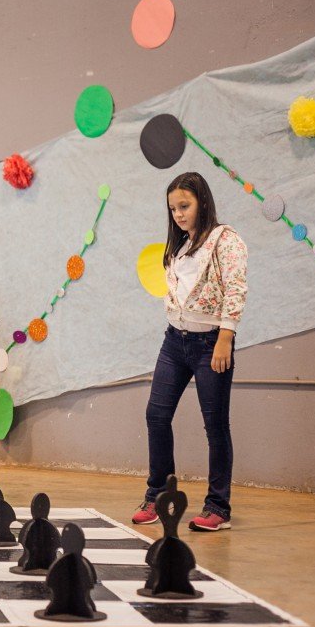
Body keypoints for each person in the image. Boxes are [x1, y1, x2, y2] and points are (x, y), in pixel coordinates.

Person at [132, 172, 247, 532]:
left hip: (211, 343)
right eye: (173, 208)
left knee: (215, 424)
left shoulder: (225, 239)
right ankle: (158, 496)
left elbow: (236, 288)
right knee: (156, 414)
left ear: (202, 202)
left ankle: (218, 507)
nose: (178, 214)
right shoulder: (181, 245)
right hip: (174, 341)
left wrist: (225, 336)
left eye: (185, 206)